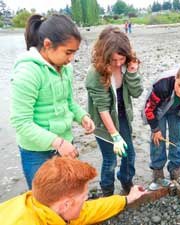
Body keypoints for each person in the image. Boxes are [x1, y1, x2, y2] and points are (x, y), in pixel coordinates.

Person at [10, 14, 95, 189]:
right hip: (36, 151)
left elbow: (68, 101)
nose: (71, 58)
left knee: (68, 191)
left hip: (64, 143)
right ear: (48, 45)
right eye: (68, 52)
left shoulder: (66, 69)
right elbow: (22, 123)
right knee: (43, 198)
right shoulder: (28, 72)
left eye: (74, 52)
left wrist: (82, 117)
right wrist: (58, 142)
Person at [0, 156, 146, 224]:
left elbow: (88, 211)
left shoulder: (44, 205)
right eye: (84, 198)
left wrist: (126, 199)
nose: (86, 201)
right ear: (66, 204)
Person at [85, 26, 143, 197]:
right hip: (103, 123)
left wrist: (132, 72)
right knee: (110, 159)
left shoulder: (127, 65)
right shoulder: (95, 73)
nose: (118, 63)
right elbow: (102, 108)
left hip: (122, 116)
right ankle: (108, 191)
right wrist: (115, 135)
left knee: (129, 154)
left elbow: (137, 92)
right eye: (113, 60)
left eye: (121, 58)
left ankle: (126, 182)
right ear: (104, 55)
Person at [143, 62, 180, 190]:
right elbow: (148, 110)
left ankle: (175, 169)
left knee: (177, 139)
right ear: (176, 77)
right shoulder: (162, 86)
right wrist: (155, 129)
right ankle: (158, 171)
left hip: (176, 110)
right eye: (179, 86)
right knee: (158, 139)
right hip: (158, 111)